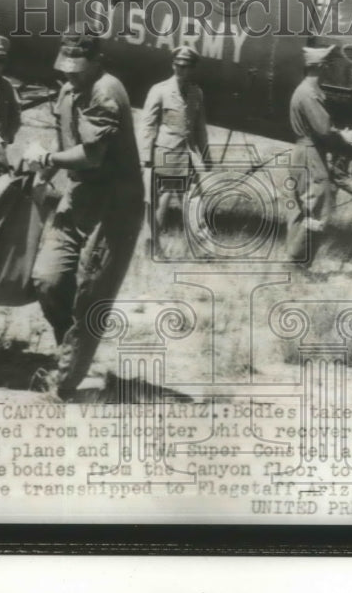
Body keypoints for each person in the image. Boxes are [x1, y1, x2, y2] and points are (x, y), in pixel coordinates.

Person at [23, 33, 144, 397]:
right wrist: (42, 175)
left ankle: (65, 383)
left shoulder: (106, 92)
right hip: (79, 196)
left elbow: (92, 155)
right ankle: (72, 356)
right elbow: (67, 145)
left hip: (115, 205)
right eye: (66, 68)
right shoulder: (68, 92)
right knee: (47, 279)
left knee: (89, 295)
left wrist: (45, 159)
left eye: (77, 69)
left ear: (97, 61)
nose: (70, 75)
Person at [285, 44, 352, 264]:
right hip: (311, 153)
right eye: (328, 63)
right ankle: (298, 261)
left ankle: (294, 259)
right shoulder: (310, 94)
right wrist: (343, 136)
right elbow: (323, 129)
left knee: (300, 208)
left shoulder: (304, 90)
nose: (331, 67)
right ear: (320, 66)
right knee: (317, 207)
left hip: (303, 151)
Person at [141, 46, 211, 253]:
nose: (181, 70)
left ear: (192, 68)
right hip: (165, 155)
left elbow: (200, 128)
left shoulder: (196, 93)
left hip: (188, 156)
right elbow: (147, 125)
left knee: (194, 200)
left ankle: (203, 249)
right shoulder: (159, 90)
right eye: (178, 66)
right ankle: (152, 247)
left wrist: (205, 156)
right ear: (173, 65)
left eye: (186, 67)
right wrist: (145, 159)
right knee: (159, 204)